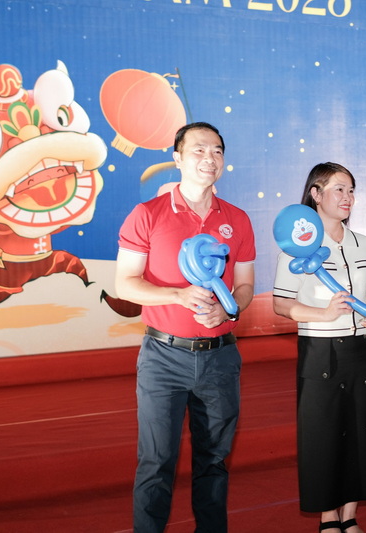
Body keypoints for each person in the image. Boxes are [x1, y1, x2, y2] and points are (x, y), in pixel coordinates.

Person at [115, 122, 256, 533]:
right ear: (176, 158)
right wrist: (176, 295)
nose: (209, 158)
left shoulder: (238, 220)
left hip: (220, 358)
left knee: (214, 461)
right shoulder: (147, 214)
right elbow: (125, 284)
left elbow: (245, 287)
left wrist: (228, 313)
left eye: (217, 151)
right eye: (198, 150)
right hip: (163, 358)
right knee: (156, 462)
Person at [272, 162, 366, 533]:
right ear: (316, 194)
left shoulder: (364, 244)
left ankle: (350, 515)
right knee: (324, 435)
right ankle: (328, 518)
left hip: (363, 350)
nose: (348, 198)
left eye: (351, 190)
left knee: (362, 432)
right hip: (321, 352)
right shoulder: (296, 247)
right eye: (339, 189)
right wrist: (323, 314)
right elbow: (281, 304)